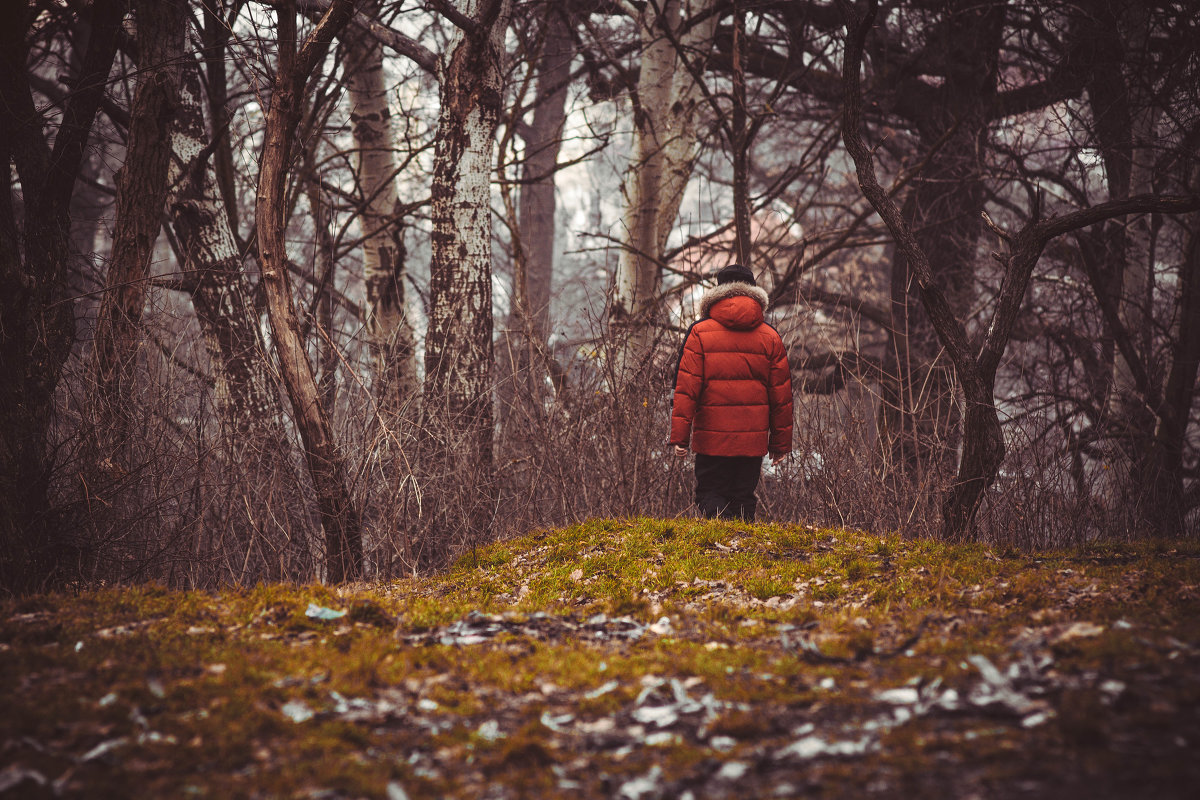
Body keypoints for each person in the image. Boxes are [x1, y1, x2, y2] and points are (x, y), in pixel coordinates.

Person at [670, 263, 793, 521]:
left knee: (711, 493)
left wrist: (680, 437)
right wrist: (780, 444)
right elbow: (781, 397)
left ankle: (718, 549)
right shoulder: (770, 337)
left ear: (719, 290)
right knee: (743, 496)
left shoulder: (699, 332)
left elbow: (686, 389)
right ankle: (742, 550)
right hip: (752, 439)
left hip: (711, 438)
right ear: (753, 292)